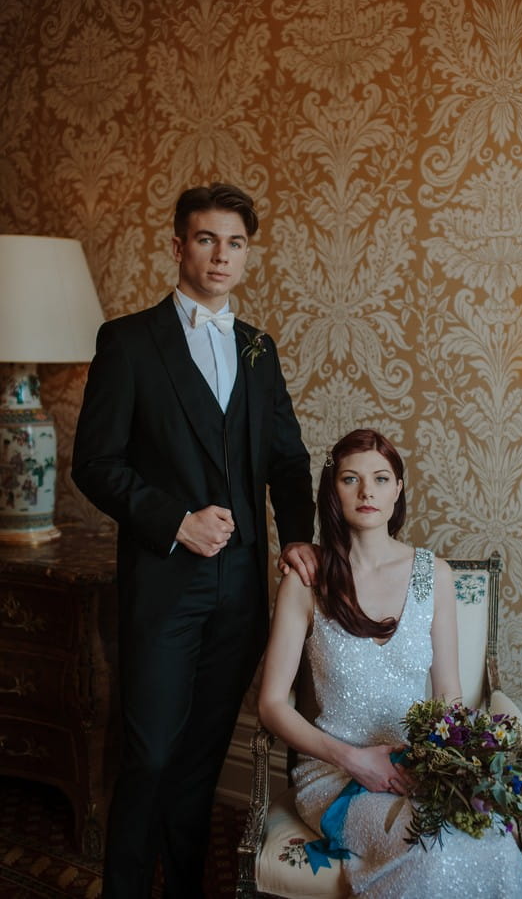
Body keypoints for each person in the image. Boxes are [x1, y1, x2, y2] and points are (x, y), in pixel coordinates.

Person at [72, 183, 317, 899]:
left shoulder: (258, 350)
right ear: (178, 246)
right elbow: (96, 463)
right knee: (149, 754)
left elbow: (288, 460)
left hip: (239, 594)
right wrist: (174, 519)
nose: (220, 255)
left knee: (202, 759)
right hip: (163, 584)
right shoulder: (127, 342)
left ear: (247, 254)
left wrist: (297, 539)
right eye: (206, 239)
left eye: (235, 242)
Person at [258, 428, 522, 898]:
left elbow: (448, 694)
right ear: (332, 490)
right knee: (435, 850)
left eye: (381, 479)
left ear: (398, 489)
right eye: (351, 479)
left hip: (419, 767)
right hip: (337, 775)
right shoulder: (307, 580)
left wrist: (444, 769)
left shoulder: (433, 576)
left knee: (498, 846)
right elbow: (271, 704)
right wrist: (354, 760)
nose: (367, 492)